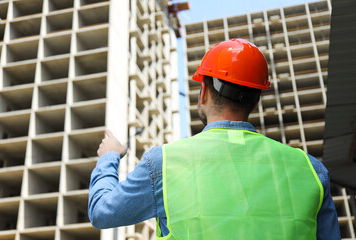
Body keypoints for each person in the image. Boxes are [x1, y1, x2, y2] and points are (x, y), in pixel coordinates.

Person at [88, 39, 341, 239]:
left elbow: (102, 212)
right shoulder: (311, 171)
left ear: (204, 92)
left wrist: (109, 156)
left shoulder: (165, 163)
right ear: (255, 102)